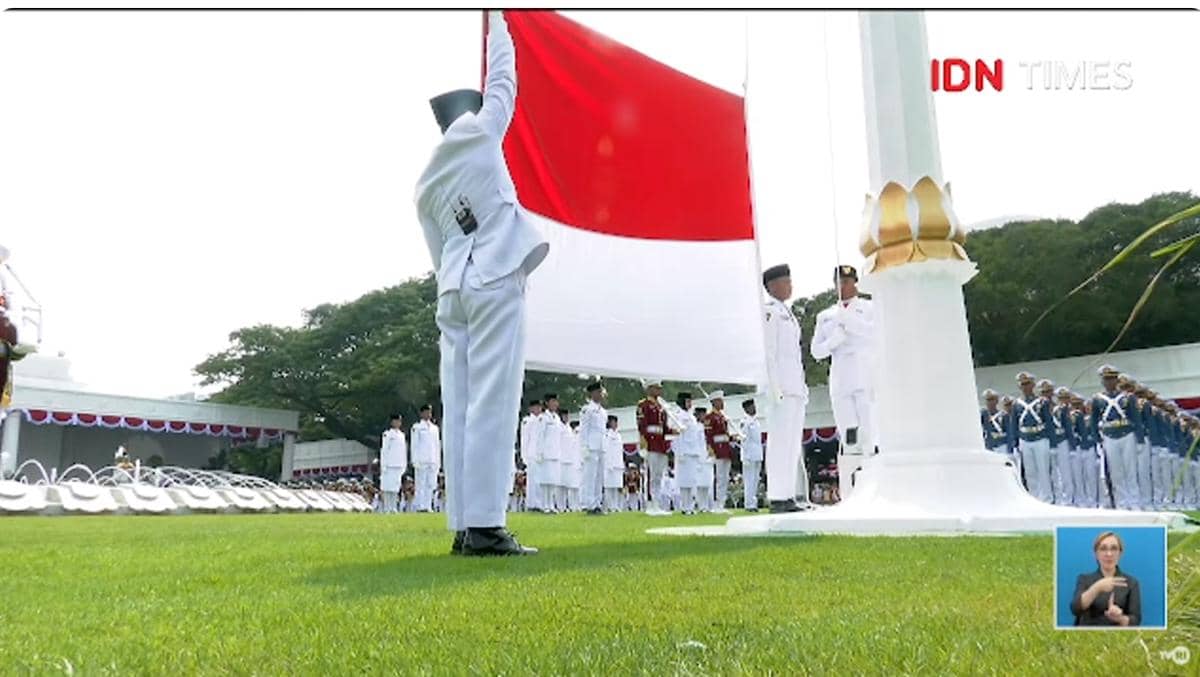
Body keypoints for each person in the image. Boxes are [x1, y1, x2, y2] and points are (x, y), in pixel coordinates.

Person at [415, 10, 548, 556]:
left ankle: (465, 527)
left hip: (454, 290)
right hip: (494, 276)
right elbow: (505, 80)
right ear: (467, 115)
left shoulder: (424, 182)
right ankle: (488, 525)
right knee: (493, 401)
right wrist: (498, 21)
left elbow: (436, 251)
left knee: (462, 404)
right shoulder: (479, 132)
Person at [811, 265, 876, 500]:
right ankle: (851, 483)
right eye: (839, 281)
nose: (843, 285)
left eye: (847, 281)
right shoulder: (826, 315)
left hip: (864, 373)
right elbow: (816, 351)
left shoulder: (869, 307)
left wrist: (850, 323)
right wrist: (834, 341)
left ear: (855, 282)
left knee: (869, 427)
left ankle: (872, 474)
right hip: (840, 375)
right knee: (848, 430)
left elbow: (876, 334)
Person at [761, 263, 812, 513]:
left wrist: (801, 386)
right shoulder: (769, 311)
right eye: (785, 281)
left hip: (794, 387)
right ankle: (778, 496)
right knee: (780, 442)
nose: (790, 285)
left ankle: (788, 494)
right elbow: (769, 353)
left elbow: (795, 357)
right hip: (780, 388)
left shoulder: (787, 313)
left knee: (792, 443)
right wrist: (773, 387)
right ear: (772, 286)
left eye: (790, 281)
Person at [1091, 367, 1141, 511]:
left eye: (1111, 378)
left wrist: (1140, 439)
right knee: (1115, 472)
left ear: (1116, 380)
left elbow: (1135, 418)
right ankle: (1122, 502)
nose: (1109, 382)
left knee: (1130, 470)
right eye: (1106, 379)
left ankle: (1134, 501)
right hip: (1109, 436)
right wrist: (1097, 441)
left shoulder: (1127, 397)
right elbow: (1094, 421)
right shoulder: (1097, 399)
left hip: (1127, 434)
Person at [1070, 531, 1141, 626]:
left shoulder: (1132, 583)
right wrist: (1097, 588)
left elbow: (1136, 620)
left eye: (1114, 548)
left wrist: (1120, 618)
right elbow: (1075, 608)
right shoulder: (1084, 579)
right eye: (1103, 549)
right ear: (1096, 554)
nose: (1109, 554)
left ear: (1120, 553)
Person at [1010, 373, 1052, 503]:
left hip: (1040, 438)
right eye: (1023, 384)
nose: (1025, 387)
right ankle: (1035, 498)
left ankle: (1047, 498)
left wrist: (1052, 443)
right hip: (1025, 439)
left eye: (1027, 384)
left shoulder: (1041, 402)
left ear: (1033, 385)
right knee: (1030, 472)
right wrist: (1015, 444)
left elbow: (1049, 422)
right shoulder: (1017, 404)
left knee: (1043, 470)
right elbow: (1014, 425)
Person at [636, 380, 671, 514]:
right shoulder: (643, 405)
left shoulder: (661, 406)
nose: (659, 391)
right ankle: (650, 504)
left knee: (658, 475)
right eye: (656, 388)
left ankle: (656, 502)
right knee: (651, 474)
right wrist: (643, 444)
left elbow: (664, 427)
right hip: (650, 441)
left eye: (659, 388)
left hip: (660, 442)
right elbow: (642, 426)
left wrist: (675, 431)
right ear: (649, 389)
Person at [579, 382, 608, 515]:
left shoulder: (603, 411)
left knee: (599, 477)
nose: (600, 394)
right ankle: (589, 504)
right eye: (598, 392)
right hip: (591, 446)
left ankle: (597, 503)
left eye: (601, 392)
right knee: (590, 477)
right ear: (592, 394)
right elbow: (584, 430)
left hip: (601, 446)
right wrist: (584, 446)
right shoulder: (587, 409)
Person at [703, 392, 735, 513]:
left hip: (725, 449)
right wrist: (711, 449)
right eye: (720, 401)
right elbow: (709, 435)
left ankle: (721, 502)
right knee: (719, 477)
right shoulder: (710, 417)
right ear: (714, 402)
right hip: (717, 449)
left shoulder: (722, 417)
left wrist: (732, 438)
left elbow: (725, 434)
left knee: (725, 478)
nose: (722, 403)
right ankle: (716, 503)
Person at [670, 393, 702, 515]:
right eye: (688, 401)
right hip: (684, 452)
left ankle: (690, 505)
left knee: (692, 480)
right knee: (684, 481)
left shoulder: (691, 417)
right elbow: (676, 436)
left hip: (692, 451)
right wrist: (678, 452)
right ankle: (685, 506)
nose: (690, 404)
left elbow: (695, 437)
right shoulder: (677, 416)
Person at [1046, 382, 1077, 506]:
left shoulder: (1060, 409)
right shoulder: (1037, 408)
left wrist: (1072, 446)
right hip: (1048, 443)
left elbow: (1068, 427)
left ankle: (1068, 499)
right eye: (1043, 392)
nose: (1046, 395)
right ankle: (1057, 498)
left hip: (1062, 440)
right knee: (1052, 473)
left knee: (1065, 472)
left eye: (1048, 392)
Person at [409, 404, 441, 513]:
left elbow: (437, 445)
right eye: (426, 412)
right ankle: (420, 505)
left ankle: (428, 505)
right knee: (420, 483)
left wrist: (438, 461)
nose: (428, 414)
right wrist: (415, 460)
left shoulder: (434, 428)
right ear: (421, 413)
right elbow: (415, 445)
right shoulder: (417, 427)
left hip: (432, 459)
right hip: (421, 459)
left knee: (430, 484)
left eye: (430, 412)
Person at [538, 394, 565, 514]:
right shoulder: (543, 418)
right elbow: (540, 436)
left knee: (553, 480)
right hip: (546, 453)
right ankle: (545, 505)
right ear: (547, 403)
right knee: (545, 481)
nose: (555, 404)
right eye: (553, 401)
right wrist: (539, 452)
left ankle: (551, 504)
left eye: (556, 401)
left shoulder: (557, 418)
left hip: (556, 453)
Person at [738, 398, 764, 512]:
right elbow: (744, 440)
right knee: (749, 480)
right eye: (751, 407)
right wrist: (746, 456)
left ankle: (753, 503)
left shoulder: (756, 421)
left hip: (757, 454)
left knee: (755, 480)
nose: (754, 408)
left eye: (754, 406)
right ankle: (749, 504)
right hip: (749, 456)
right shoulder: (745, 422)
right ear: (746, 409)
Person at [520, 399, 544, 512]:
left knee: (540, 480)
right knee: (532, 481)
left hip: (541, 454)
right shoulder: (527, 421)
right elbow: (524, 439)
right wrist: (524, 456)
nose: (538, 409)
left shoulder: (542, 419)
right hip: (531, 453)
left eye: (540, 407)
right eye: (536, 407)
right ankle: (531, 504)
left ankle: (539, 503)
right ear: (531, 409)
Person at [380, 414, 407, 514]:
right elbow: (384, 450)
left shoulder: (401, 435)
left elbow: (403, 451)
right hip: (389, 464)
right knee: (387, 487)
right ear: (392, 422)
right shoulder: (387, 434)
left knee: (395, 488)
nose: (398, 423)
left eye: (399, 421)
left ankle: (393, 507)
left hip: (398, 464)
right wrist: (384, 465)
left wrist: (404, 464)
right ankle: (387, 507)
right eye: (395, 421)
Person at [602, 415, 624, 513]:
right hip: (609, 464)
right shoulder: (607, 434)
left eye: (616, 422)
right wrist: (608, 464)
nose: (615, 424)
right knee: (609, 487)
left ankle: (615, 506)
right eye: (614, 422)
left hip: (618, 463)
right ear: (610, 423)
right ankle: (609, 505)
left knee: (616, 486)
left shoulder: (618, 435)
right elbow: (606, 450)